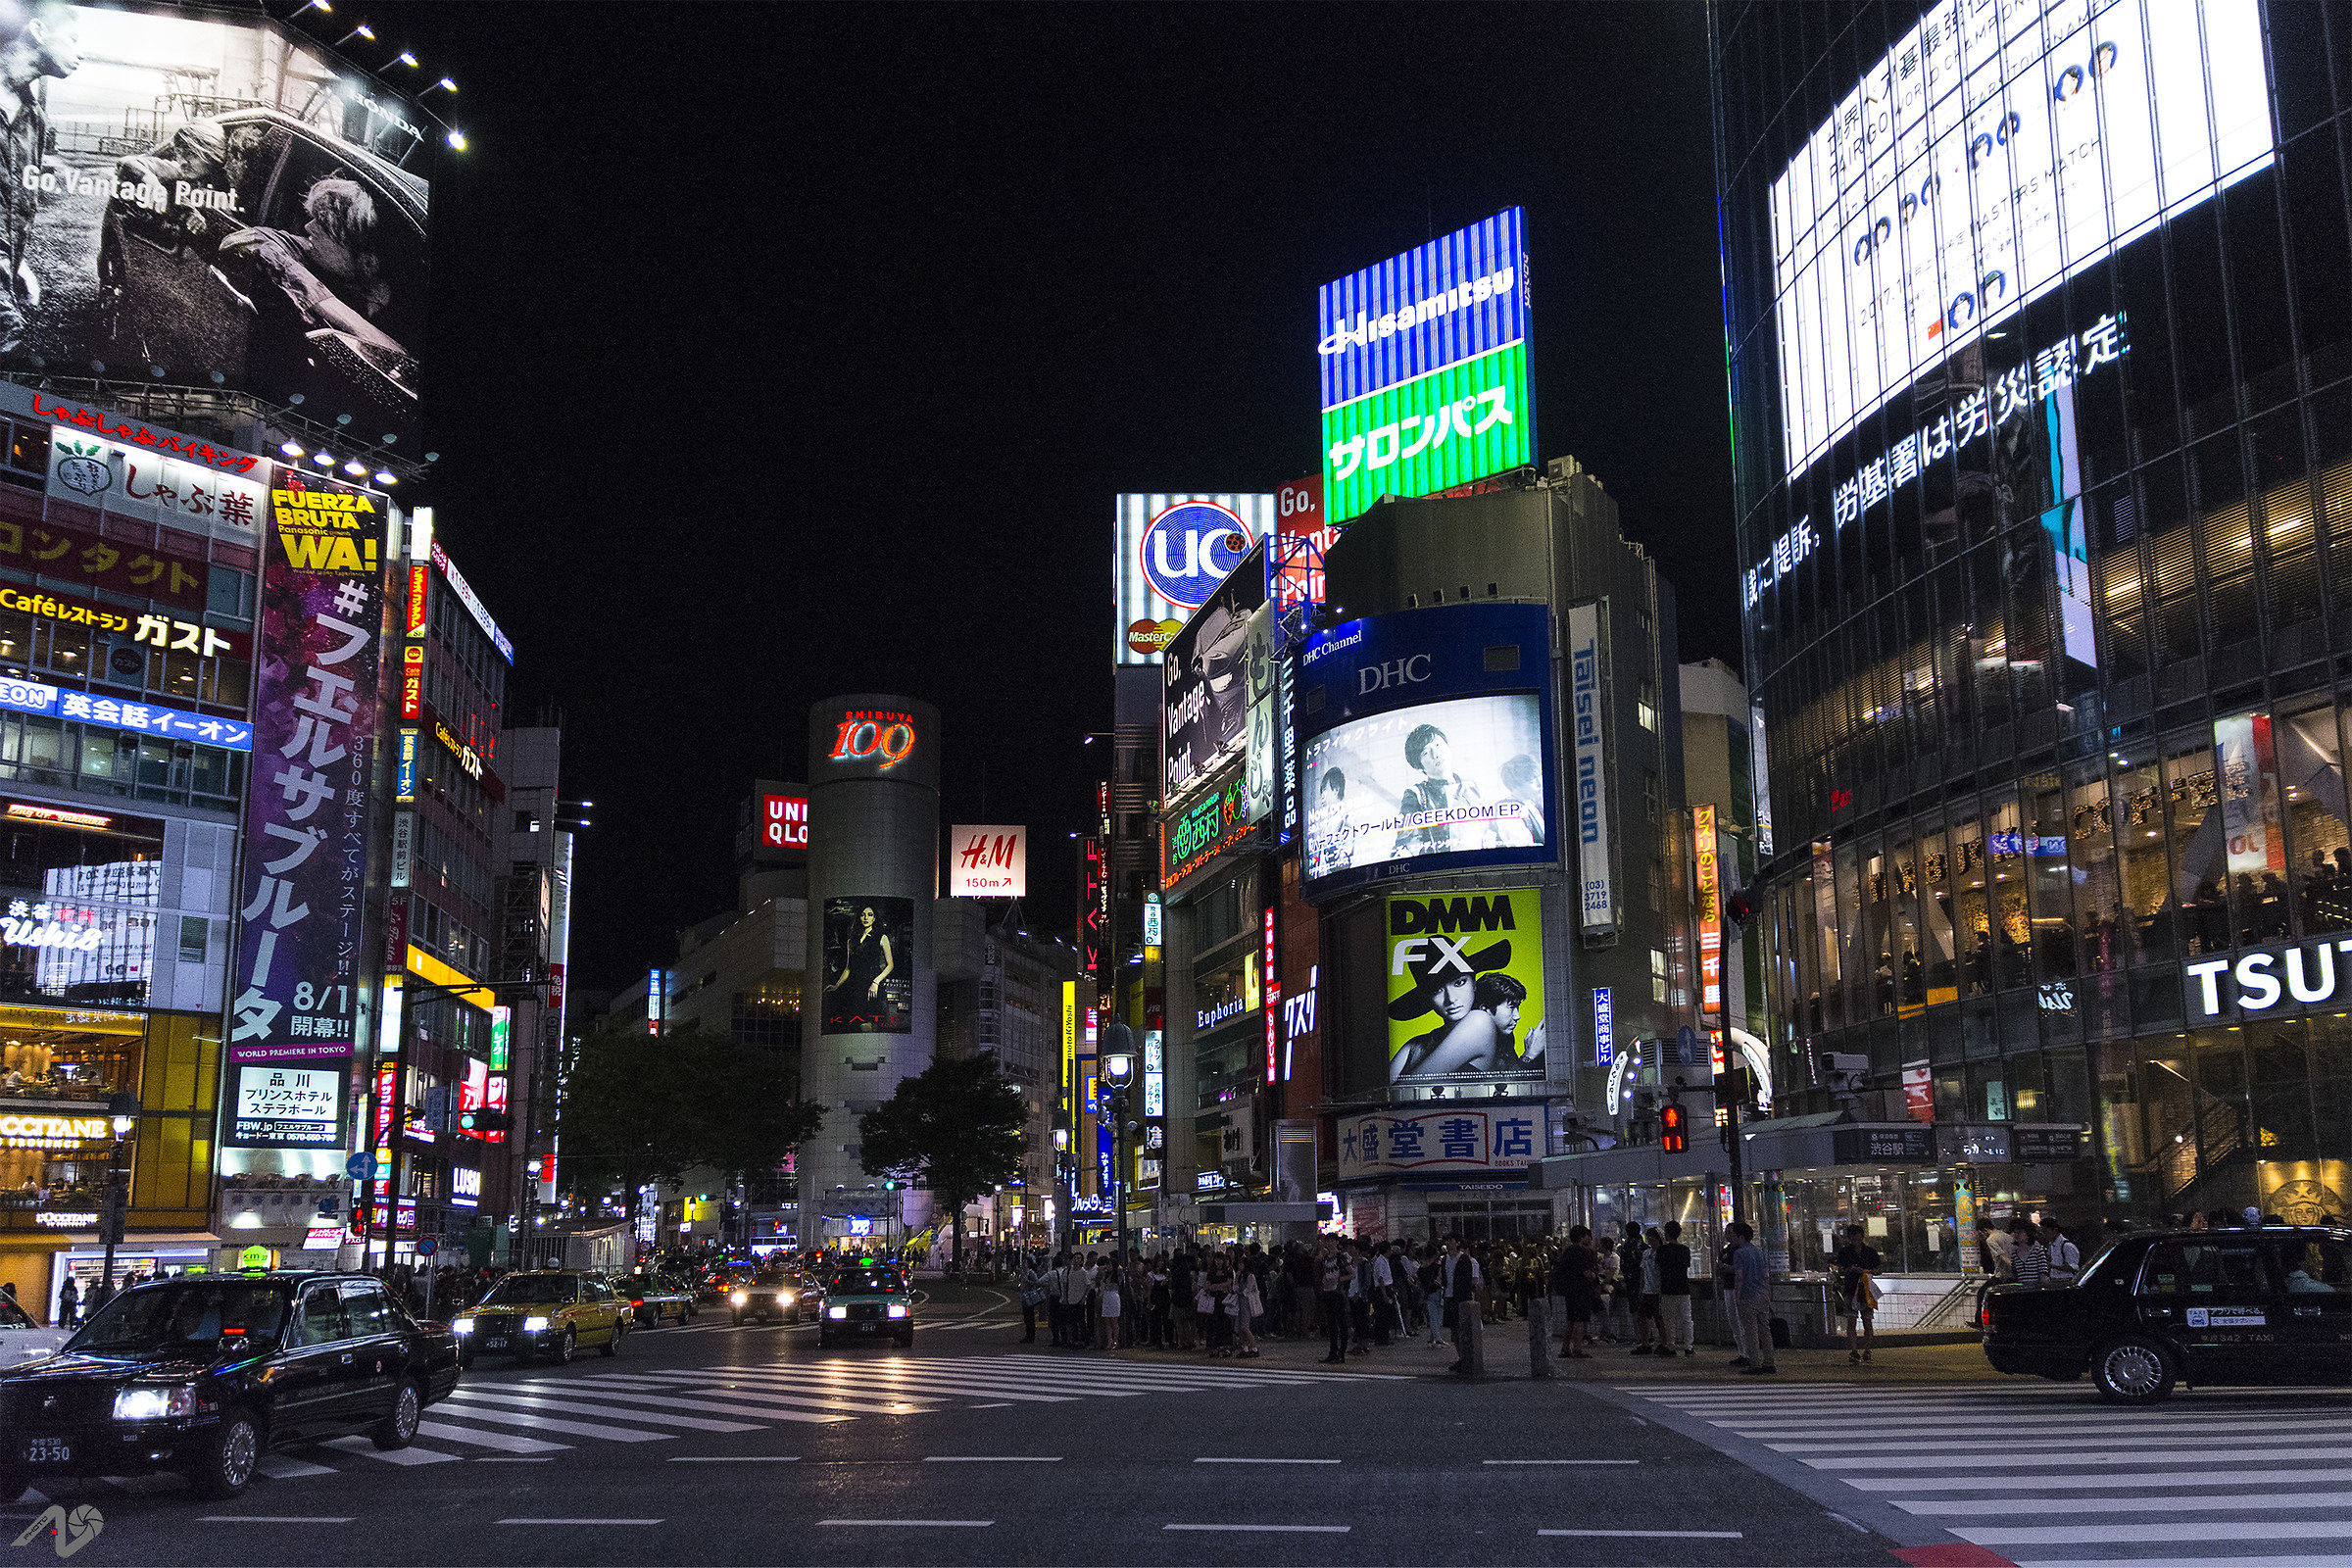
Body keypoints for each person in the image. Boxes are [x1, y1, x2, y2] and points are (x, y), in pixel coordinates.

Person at [0, 2, 82, 359]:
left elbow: (13, 201)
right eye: (73, 38)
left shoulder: (34, 119)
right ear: (38, 31)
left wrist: (17, 263)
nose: (81, 53)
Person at [1394, 722, 1496, 858]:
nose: (1435, 754)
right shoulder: (1416, 794)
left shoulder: (1474, 788)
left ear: (1448, 747)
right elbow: (1407, 844)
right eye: (1425, 752)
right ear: (1419, 767)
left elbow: (1492, 831)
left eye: (1437, 745)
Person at [825, 905, 899, 1028]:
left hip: (872, 985)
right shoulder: (851, 941)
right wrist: (837, 985)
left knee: (870, 1025)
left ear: (874, 919)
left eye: (870, 915)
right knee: (855, 1024)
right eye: (863, 914)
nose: (866, 918)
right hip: (855, 986)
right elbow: (848, 968)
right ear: (859, 917)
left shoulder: (881, 937)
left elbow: (890, 965)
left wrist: (876, 982)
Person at [1728, 1221, 1775, 1374]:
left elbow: (1739, 1277)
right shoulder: (1758, 1251)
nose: (1732, 1238)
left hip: (1748, 1295)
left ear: (1741, 1236)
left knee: (1751, 1332)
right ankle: (1769, 1362)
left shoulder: (1739, 1253)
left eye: (1734, 1235)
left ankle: (1754, 1363)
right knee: (1765, 1331)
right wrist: (1767, 1293)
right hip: (1762, 1294)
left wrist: (1737, 1296)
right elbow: (1766, 1275)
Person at [1832, 1222, 1881, 1365]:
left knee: (1867, 1321)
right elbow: (1840, 1270)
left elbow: (1879, 1269)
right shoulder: (1845, 1252)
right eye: (1853, 1239)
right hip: (1851, 1288)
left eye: (1858, 1239)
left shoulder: (1870, 1252)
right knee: (1852, 1321)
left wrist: (1864, 1271)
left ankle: (1866, 1351)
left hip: (1865, 1288)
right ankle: (1854, 1351)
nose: (1856, 1242)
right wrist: (1849, 1270)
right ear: (1849, 1239)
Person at [1554, 1227, 1599, 1360]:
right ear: (1582, 1237)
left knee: (1570, 1319)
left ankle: (1565, 1348)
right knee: (1580, 1320)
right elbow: (1587, 1273)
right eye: (1587, 1236)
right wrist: (1595, 1277)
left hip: (1570, 1290)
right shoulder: (1581, 1252)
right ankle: (1577, 1349)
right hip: (1581, 1290)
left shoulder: (1568, 1251)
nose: (1589, 1239)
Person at [1655, 1220, 1693, 1356]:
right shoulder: (1685, 1250)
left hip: (1667, 1289)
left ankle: (1671, 1346)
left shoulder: (1662, 1250)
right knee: (1686, 1318)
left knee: (1669, 1320)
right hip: (1683, 1288)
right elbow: (1686, 1266)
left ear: (1667, 1233)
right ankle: (1688, 1346)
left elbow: (1658, 1270)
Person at [1445, 1236, 1482, 1374]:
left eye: (1451, 1241)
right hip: (1449, 1296)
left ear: (1457, 1243)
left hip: (1460, 1298)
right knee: (1454, 1330)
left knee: (1462, 1329)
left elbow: (1468, 1280)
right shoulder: (1445, 1259)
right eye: (1447, 1241)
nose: (1448, 1244)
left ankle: (1466, 1357)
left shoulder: (1464, 1259)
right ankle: (1461, 1357)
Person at [1632, 1227, 1665, 1354]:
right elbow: (1643, 1272)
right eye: (1648, 1236)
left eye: (1653, 1236)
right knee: (1643, 1317)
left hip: (1657, 1291)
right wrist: (1641, 1289)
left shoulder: (1661, 1254)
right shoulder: (1646, 1253)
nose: (1650, 1238)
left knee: (1658, 1318)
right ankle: (1645, 1342)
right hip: (1647, 1290)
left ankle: (1663, 1342)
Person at [1319, 1241, 1352, 1365]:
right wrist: (1325, 1280)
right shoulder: (1326, 1259)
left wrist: (1338, 1280)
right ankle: (1333, 1352)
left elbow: (1351, 1274)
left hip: (1337, 1293)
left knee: (1341, 1322)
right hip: (1328, 1291)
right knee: (1331, 1323)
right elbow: (1325, 1273)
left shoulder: (1340, 1258)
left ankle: (1340, 1353)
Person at [1057, 1247, 1091, 1349]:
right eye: (1075, 1258)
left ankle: (1083, 1340)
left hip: (1080, 1300)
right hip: (1071, 1299)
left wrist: (1084, 1297)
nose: (1076, 1260)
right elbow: (1066, 1285)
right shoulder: (1069, 1271)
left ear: (1081, 1261)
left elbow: (1088, 1285)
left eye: (1078, 1258)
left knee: (1080, 1321)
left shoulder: (1083, 1272)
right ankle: (1075, 1340)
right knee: (1073, 1321)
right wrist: (1066, 1298)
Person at [2008, 1218, 2050, 1287]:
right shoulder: (2014, 1254)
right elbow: (2014, 1274)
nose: (2016, 1235)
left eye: (2020, 1232)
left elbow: (2043, 1275)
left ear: (2028, 1233)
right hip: (2021, 1290)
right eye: (2015, 1232)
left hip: (2036, 1290)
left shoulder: (2038, 1250)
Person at [1018, 1251, 1049, 1344]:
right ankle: (1028, 1335)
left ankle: (1031, 1336)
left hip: (1030, 1297)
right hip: (1024, 1297)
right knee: (1027, 1318)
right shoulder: (1024, 1272)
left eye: (1025, 1262)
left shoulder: (1030, 1273)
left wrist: (1027, 1281)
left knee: (1030, 1317)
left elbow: (1037, 1283)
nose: (1023, 1264)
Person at [2039, 1218, 2081, 1286]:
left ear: (2055, 1230)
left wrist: (2052, 1266)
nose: (2044, 1235)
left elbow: (2073, 1268)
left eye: (2045, 1232)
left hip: (2066, 1281)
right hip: (2054, 1280)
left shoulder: (2067, 1246)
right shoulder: (2051, 1245)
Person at [1097, 1256, 1122, 1351]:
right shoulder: (1105, 1274)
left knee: (1114, 1320)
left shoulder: (1117, 1274)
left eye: (1110, 1264)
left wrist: (1115, 1267)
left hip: (1114, 1296)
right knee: (1107, 1320)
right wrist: (1105, 1268)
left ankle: (1115, 1341)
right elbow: (1099, 1272)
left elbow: (1120, 1270)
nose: (1108, 1266)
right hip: (1106, 1296)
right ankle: (1110, 1341)